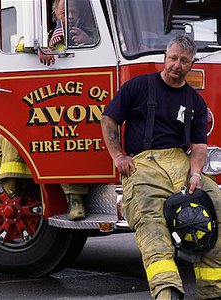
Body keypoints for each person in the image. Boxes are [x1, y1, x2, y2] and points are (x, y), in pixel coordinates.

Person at [101, 35, 221, 299]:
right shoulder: (138, 86)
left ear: (191, 64)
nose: (177, 65)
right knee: (151, 221)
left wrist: (197, 175)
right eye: (174, 58)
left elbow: (199, 146)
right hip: (142, 164)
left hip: (180, 161)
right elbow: (109, 120)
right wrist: (118, 157)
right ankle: (167, 291)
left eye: (184, 61)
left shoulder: (195, 102)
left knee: (217, 206)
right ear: (165, 58)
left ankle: (213, 290)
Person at [39, 0, 97, 66]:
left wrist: (88, 40)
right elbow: (25, 42)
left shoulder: (95, 34)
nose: (70, 16)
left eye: (73, 12)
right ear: (56, 16)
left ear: (78, 13)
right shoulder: (43, 38)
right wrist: (40, 50)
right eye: (64, 13)